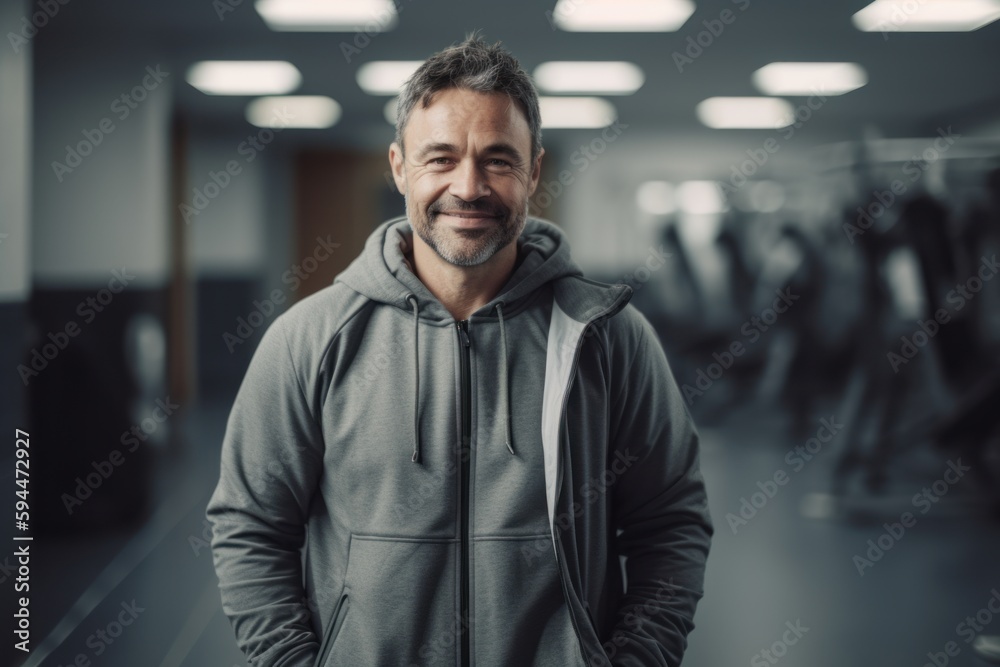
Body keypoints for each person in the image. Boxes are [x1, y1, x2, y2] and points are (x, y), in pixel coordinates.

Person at [206, 34, 713, 667]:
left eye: (498, 159)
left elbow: (670, 520)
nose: (468, 187)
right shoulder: (309, 339)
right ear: (399, 167)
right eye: (440, 158)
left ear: (533, 170)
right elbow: (250, 527)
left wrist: (639, 658)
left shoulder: (607, 336)